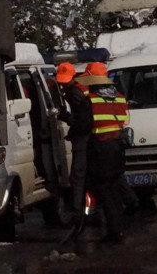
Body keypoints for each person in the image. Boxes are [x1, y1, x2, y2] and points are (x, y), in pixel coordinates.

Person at [84, 62, 131, 243]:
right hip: (118, 148)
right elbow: (125, 119)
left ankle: (115, 232)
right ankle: (120, 222)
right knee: (113, 187)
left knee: (104, 191)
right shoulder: (119, 97)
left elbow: (86, 125)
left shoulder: (91, 99)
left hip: (100, 149)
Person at [55, 62, 93, 240]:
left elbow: (82, 121)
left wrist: (66, 118)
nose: (62, 84)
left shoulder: (75, 93)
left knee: (77, 177)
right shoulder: (80, 89)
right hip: (88, 138)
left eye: (65, 81)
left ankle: (78, 214)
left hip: (83, 140)